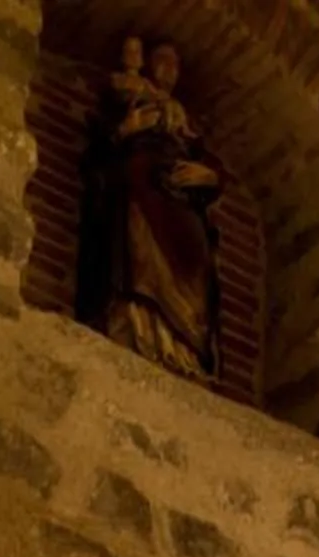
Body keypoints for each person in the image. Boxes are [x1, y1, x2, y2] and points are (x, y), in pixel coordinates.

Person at [78, 36, 224, 382]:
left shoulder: (181, 116)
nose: (168, 70)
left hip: (181, 197)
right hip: (140, 183)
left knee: (194, 264)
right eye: (161, 60)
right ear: (146, 62)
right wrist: (125, 131)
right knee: (137, 255)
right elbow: (100, 149)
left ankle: (183, 350)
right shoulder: (131, 93)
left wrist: (209, 178)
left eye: (175, 64)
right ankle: (140, 332)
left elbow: (204, 163)